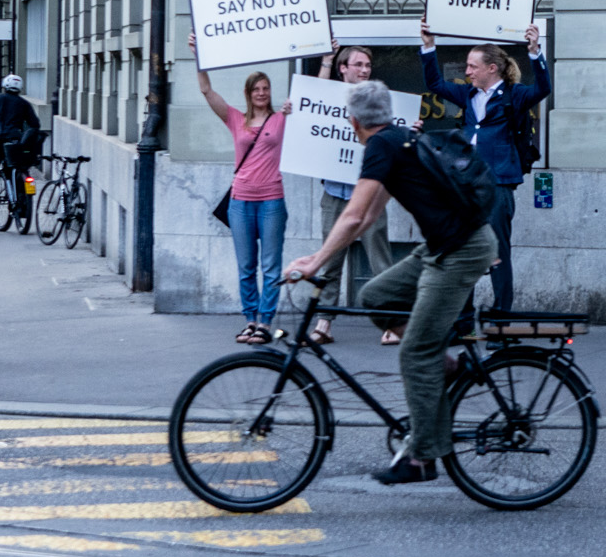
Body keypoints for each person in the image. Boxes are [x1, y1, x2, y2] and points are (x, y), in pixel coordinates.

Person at [286, 79, 497, 486]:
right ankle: (449, 366)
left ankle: (421, 459)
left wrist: (315, 262)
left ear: (353, 121)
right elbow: (366, 216)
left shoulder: (383, 145)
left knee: (415, 353)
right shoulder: (395, 141)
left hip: (461, 249)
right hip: (442, 246)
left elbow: (351, 216)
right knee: (376, 295)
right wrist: (324, 257)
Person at [418, 22, 547, 313]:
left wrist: (534, 52)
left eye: (472, 66)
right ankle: (463, 321)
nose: (467, 72)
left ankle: (501, 318)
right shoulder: (468, 95)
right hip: (465, 184)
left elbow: (543, 88)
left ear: (492, 68)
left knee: (498, 250)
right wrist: (429, 46)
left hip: (498, 182)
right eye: (467, 66)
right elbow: (435, 84)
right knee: (463, 250)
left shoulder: (514, 94)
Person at [194, 33, 289, 345]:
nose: (262, 93)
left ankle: (265, 323)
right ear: (248, 93)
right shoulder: (235, 119)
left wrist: (327, 62)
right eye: (256, 89)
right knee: (246, 267)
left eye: (266, 88)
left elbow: (315, 100)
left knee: (271, 267)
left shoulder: (281, 119)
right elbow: (207, 90)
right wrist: (199, 55)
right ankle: (250, 320)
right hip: (240, 202)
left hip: (272, 200)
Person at [308, 41, 400, 347]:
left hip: (369, 192)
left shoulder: (377, 99)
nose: (364, 70)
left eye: (368, 65)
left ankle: (390, 321)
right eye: (358, 64)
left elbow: (394, 128)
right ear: (343, 69)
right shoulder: (329, 98)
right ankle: (324, 322)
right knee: (331, 260)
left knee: (379, 259)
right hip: (335, 191)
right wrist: (326, 60)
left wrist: (409, 126)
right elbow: (313, 99)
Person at [0, 74, 41, 221]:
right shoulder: (23, 103)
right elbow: (35, 124)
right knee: (18, 168)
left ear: (4, 85)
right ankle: (22, 204)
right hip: (15, 140)